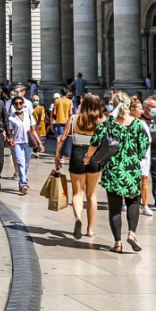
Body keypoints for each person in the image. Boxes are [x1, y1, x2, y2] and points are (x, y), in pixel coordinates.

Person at [86, 91, 149, 253]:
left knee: (114, 207)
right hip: (131, 169)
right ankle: (132, 233)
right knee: (133, 201)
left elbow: (94, 142)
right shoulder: (137, 124)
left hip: (112, 169)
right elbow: (144, 146)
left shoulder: (107, 124)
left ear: (113, 105)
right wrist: (135, 156)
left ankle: (118, 243)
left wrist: (88, 157)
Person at [55, 92, 103, 238]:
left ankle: (77, 219)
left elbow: (63, 138)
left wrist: (57, 156)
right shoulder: (101, 120)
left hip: (77, 154)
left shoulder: (74, 118)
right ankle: (90, 229)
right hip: (94, 156)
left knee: (77, 193)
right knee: (92, 195)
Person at [131, 97, 155, 217]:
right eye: (139, 109)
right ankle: (126, 202)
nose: (141, 111)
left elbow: (148, 141)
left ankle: (145, 205)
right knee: (130, 179)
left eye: (141, 109)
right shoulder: (126, 123)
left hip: (144, 157)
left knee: (144, 180)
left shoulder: (143, 123)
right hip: (131, 156)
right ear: (131, 110)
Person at [8, 94, 37, 193]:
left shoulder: (29, 115)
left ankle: (22, 180)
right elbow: (9, 132)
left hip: (28, 143)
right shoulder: (11, 118)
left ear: (23, 104)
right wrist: (10, 140)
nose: (18, 105)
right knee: (20, 163)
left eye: (20, 103)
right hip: (17, 143)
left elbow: (33, 130)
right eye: (16, 104)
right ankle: (23, 183)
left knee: (26, 163)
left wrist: (40, 143)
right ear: (13, 105)